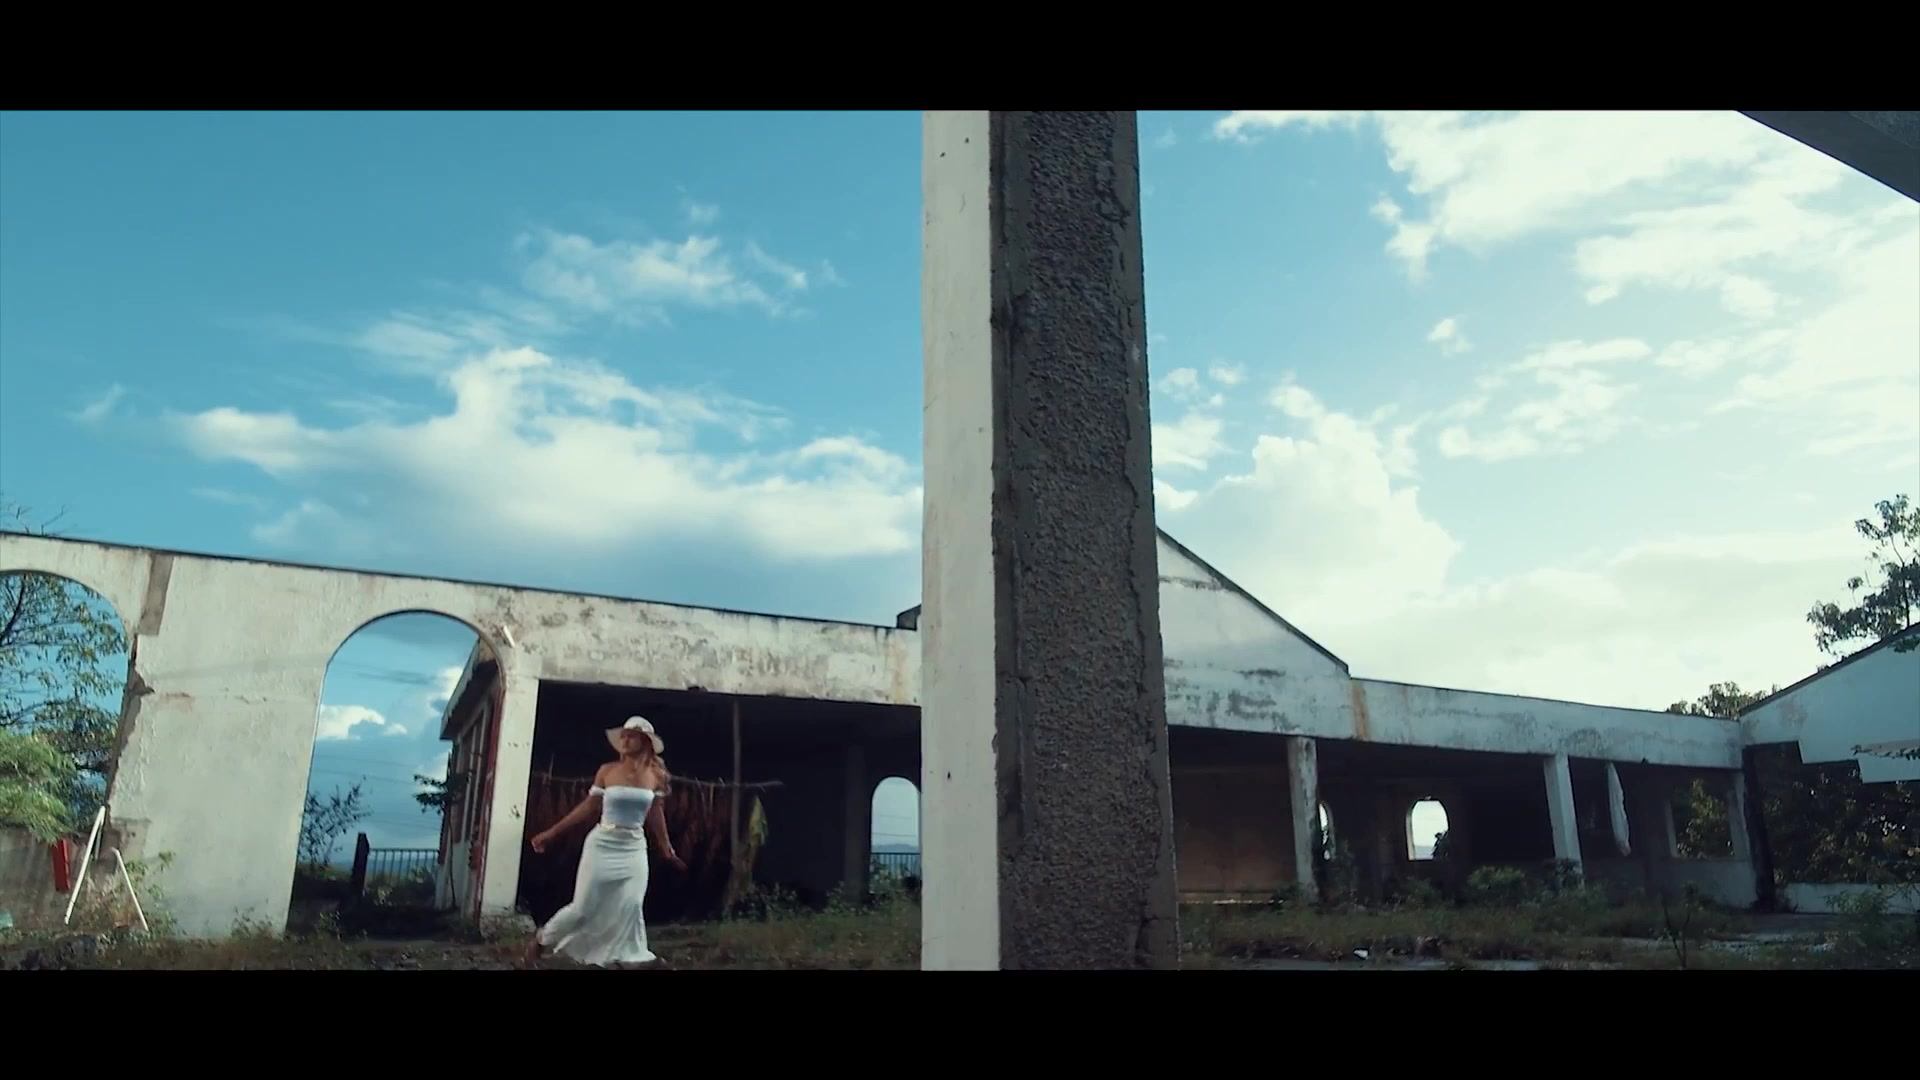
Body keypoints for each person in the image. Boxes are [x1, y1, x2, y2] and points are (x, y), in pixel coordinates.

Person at [524, 715, 687, 966]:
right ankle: (541, 941)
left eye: (631, 736)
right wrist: (551, 833)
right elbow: (588, 807)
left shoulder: (657, 776)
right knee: (582, 909)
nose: (625, 740)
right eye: (623, 736)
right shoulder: (607, 771)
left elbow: (656, 814)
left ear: (645, 742)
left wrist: (667, 849)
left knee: (631, 904)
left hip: (633, 846)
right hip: (602, 844)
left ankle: (627, 959)